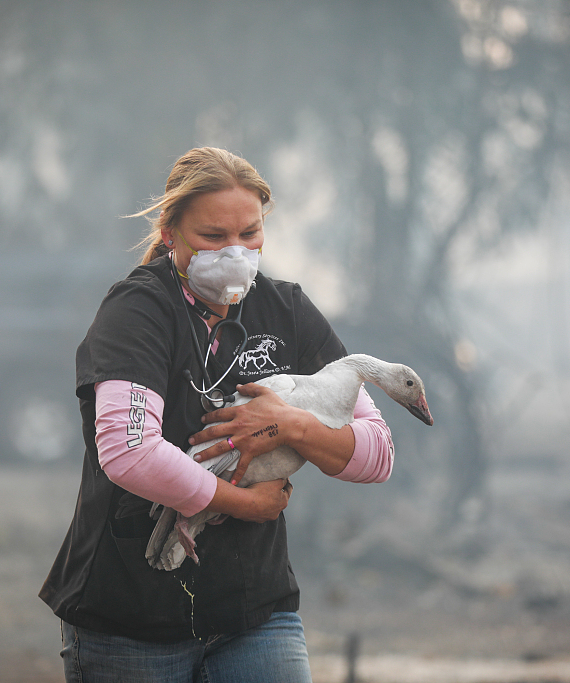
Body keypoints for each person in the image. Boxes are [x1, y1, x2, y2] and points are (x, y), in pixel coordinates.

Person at [39, 147, 395, 682]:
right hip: (130, 620)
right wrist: (246, 504)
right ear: (170, 233)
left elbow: (377, 453)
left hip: (256, 614)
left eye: (249, 233)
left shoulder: (287, 310)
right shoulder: (136, 311)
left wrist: (289, 424)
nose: (235, 252)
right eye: (212, 236)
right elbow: (130, 452)